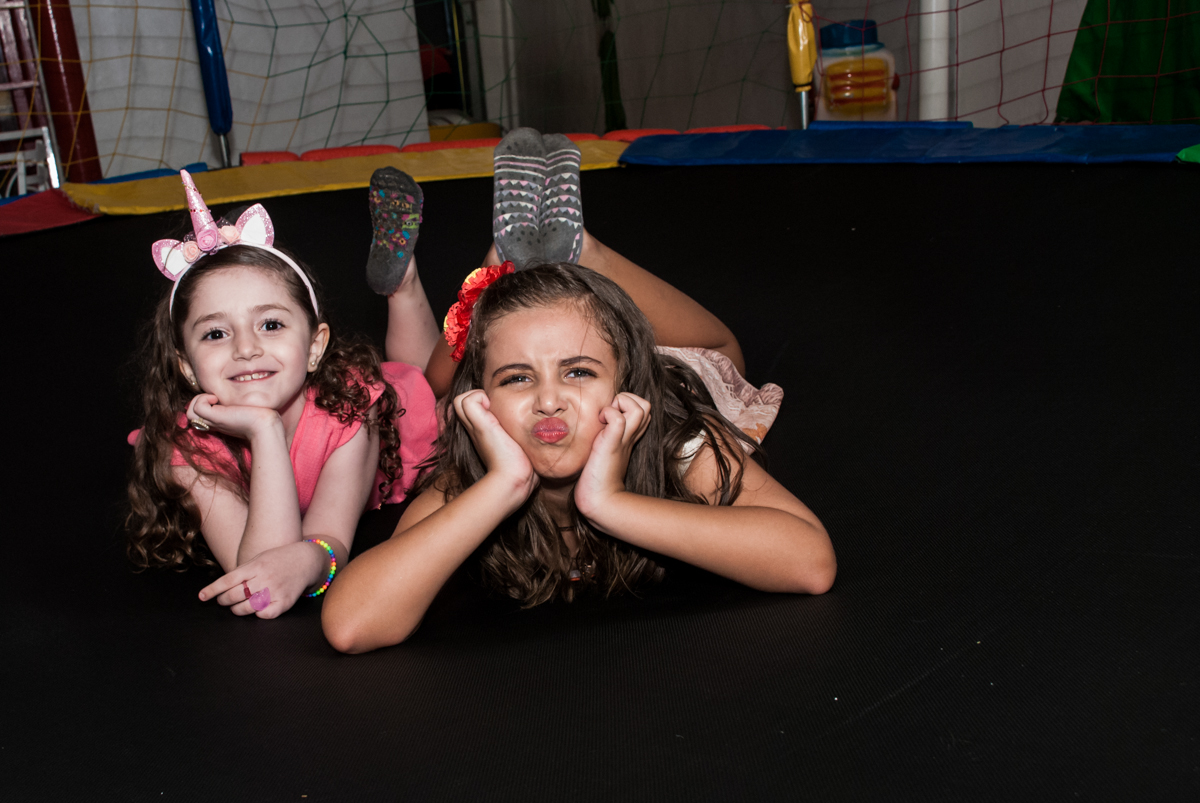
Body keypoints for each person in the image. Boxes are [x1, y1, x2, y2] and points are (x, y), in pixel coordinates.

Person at [321, 130, 835, 654]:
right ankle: (508, 274)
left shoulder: (674, 438)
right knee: (445, 379)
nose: (549, 400)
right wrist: (502, 485)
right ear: (483, 405)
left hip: (677, 370)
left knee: (724, 352)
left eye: (579, 374)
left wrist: (610, 504)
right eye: (517, 379)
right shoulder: (474, 470)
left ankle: (577, 251)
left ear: (627, 387)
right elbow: (352, 625)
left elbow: (811, 563)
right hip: (551, 366)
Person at [125, 170, 437, 619]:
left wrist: (313, 559)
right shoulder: (187, 453)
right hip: (346, 404)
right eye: (215, 333)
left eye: (270, 324)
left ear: (314, 347)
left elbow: (332, 536)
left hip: (406, 421)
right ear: (187, 367)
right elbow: (258, 571)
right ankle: (404, 285)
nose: (246, 348)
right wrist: (265, 429)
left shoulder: (354, 408)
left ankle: (415, 283)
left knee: (437, 380)